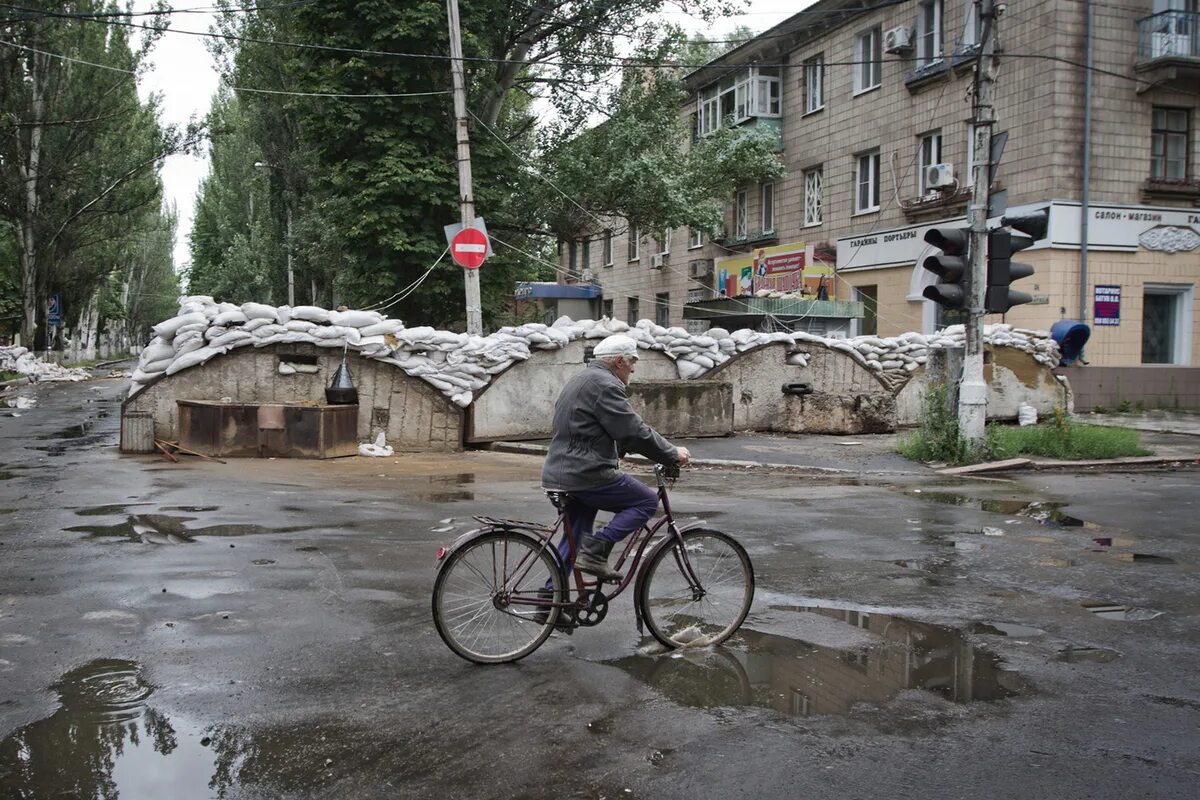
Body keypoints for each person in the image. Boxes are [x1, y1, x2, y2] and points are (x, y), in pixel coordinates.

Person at [541, 333, 691, 580]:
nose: (633, 368)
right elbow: (633, 431)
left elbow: (599, 427)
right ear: (619, 361)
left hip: (560, 472)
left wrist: (619, 451)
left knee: (574, 538)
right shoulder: (606, 385)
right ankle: (597, 551)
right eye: (632, 362)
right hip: (585, 474)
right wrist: (671, 453)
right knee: (645, 502)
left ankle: (548, 602)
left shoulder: (581, 378)